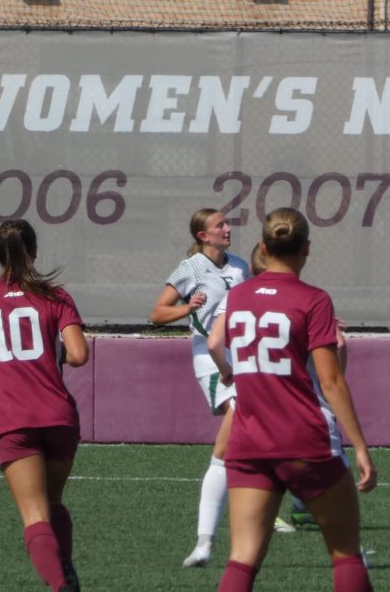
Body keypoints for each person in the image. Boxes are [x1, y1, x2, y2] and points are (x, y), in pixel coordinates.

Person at [206, 207, 376, 591]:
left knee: (242, 559)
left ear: (263, 248)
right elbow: (331, 380)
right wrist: (361, 447)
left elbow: (223, 348)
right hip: (304, 439)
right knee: (346, 553)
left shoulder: (238, 296)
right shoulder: (314, 300)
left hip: (249, 442)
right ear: (307, 250)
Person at [0, 219, 89, 592]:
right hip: (59, 416)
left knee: (34, 515)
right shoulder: (56, 297)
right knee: (54, 502)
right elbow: (78, 355)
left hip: (13, 421)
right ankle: (65, 571)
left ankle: (61, 585)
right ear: (34, 252)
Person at [149, 208, 251, 567]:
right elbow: (157, 313)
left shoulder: (240, 265)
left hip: (245, 357)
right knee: (239, 420)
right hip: (210, 357)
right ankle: (207, 537)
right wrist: (186, 308)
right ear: (203, 235)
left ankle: (265, 504)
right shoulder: (190, 268)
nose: (228, 228)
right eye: (220, 225)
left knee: (250, 431)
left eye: (227, 222)